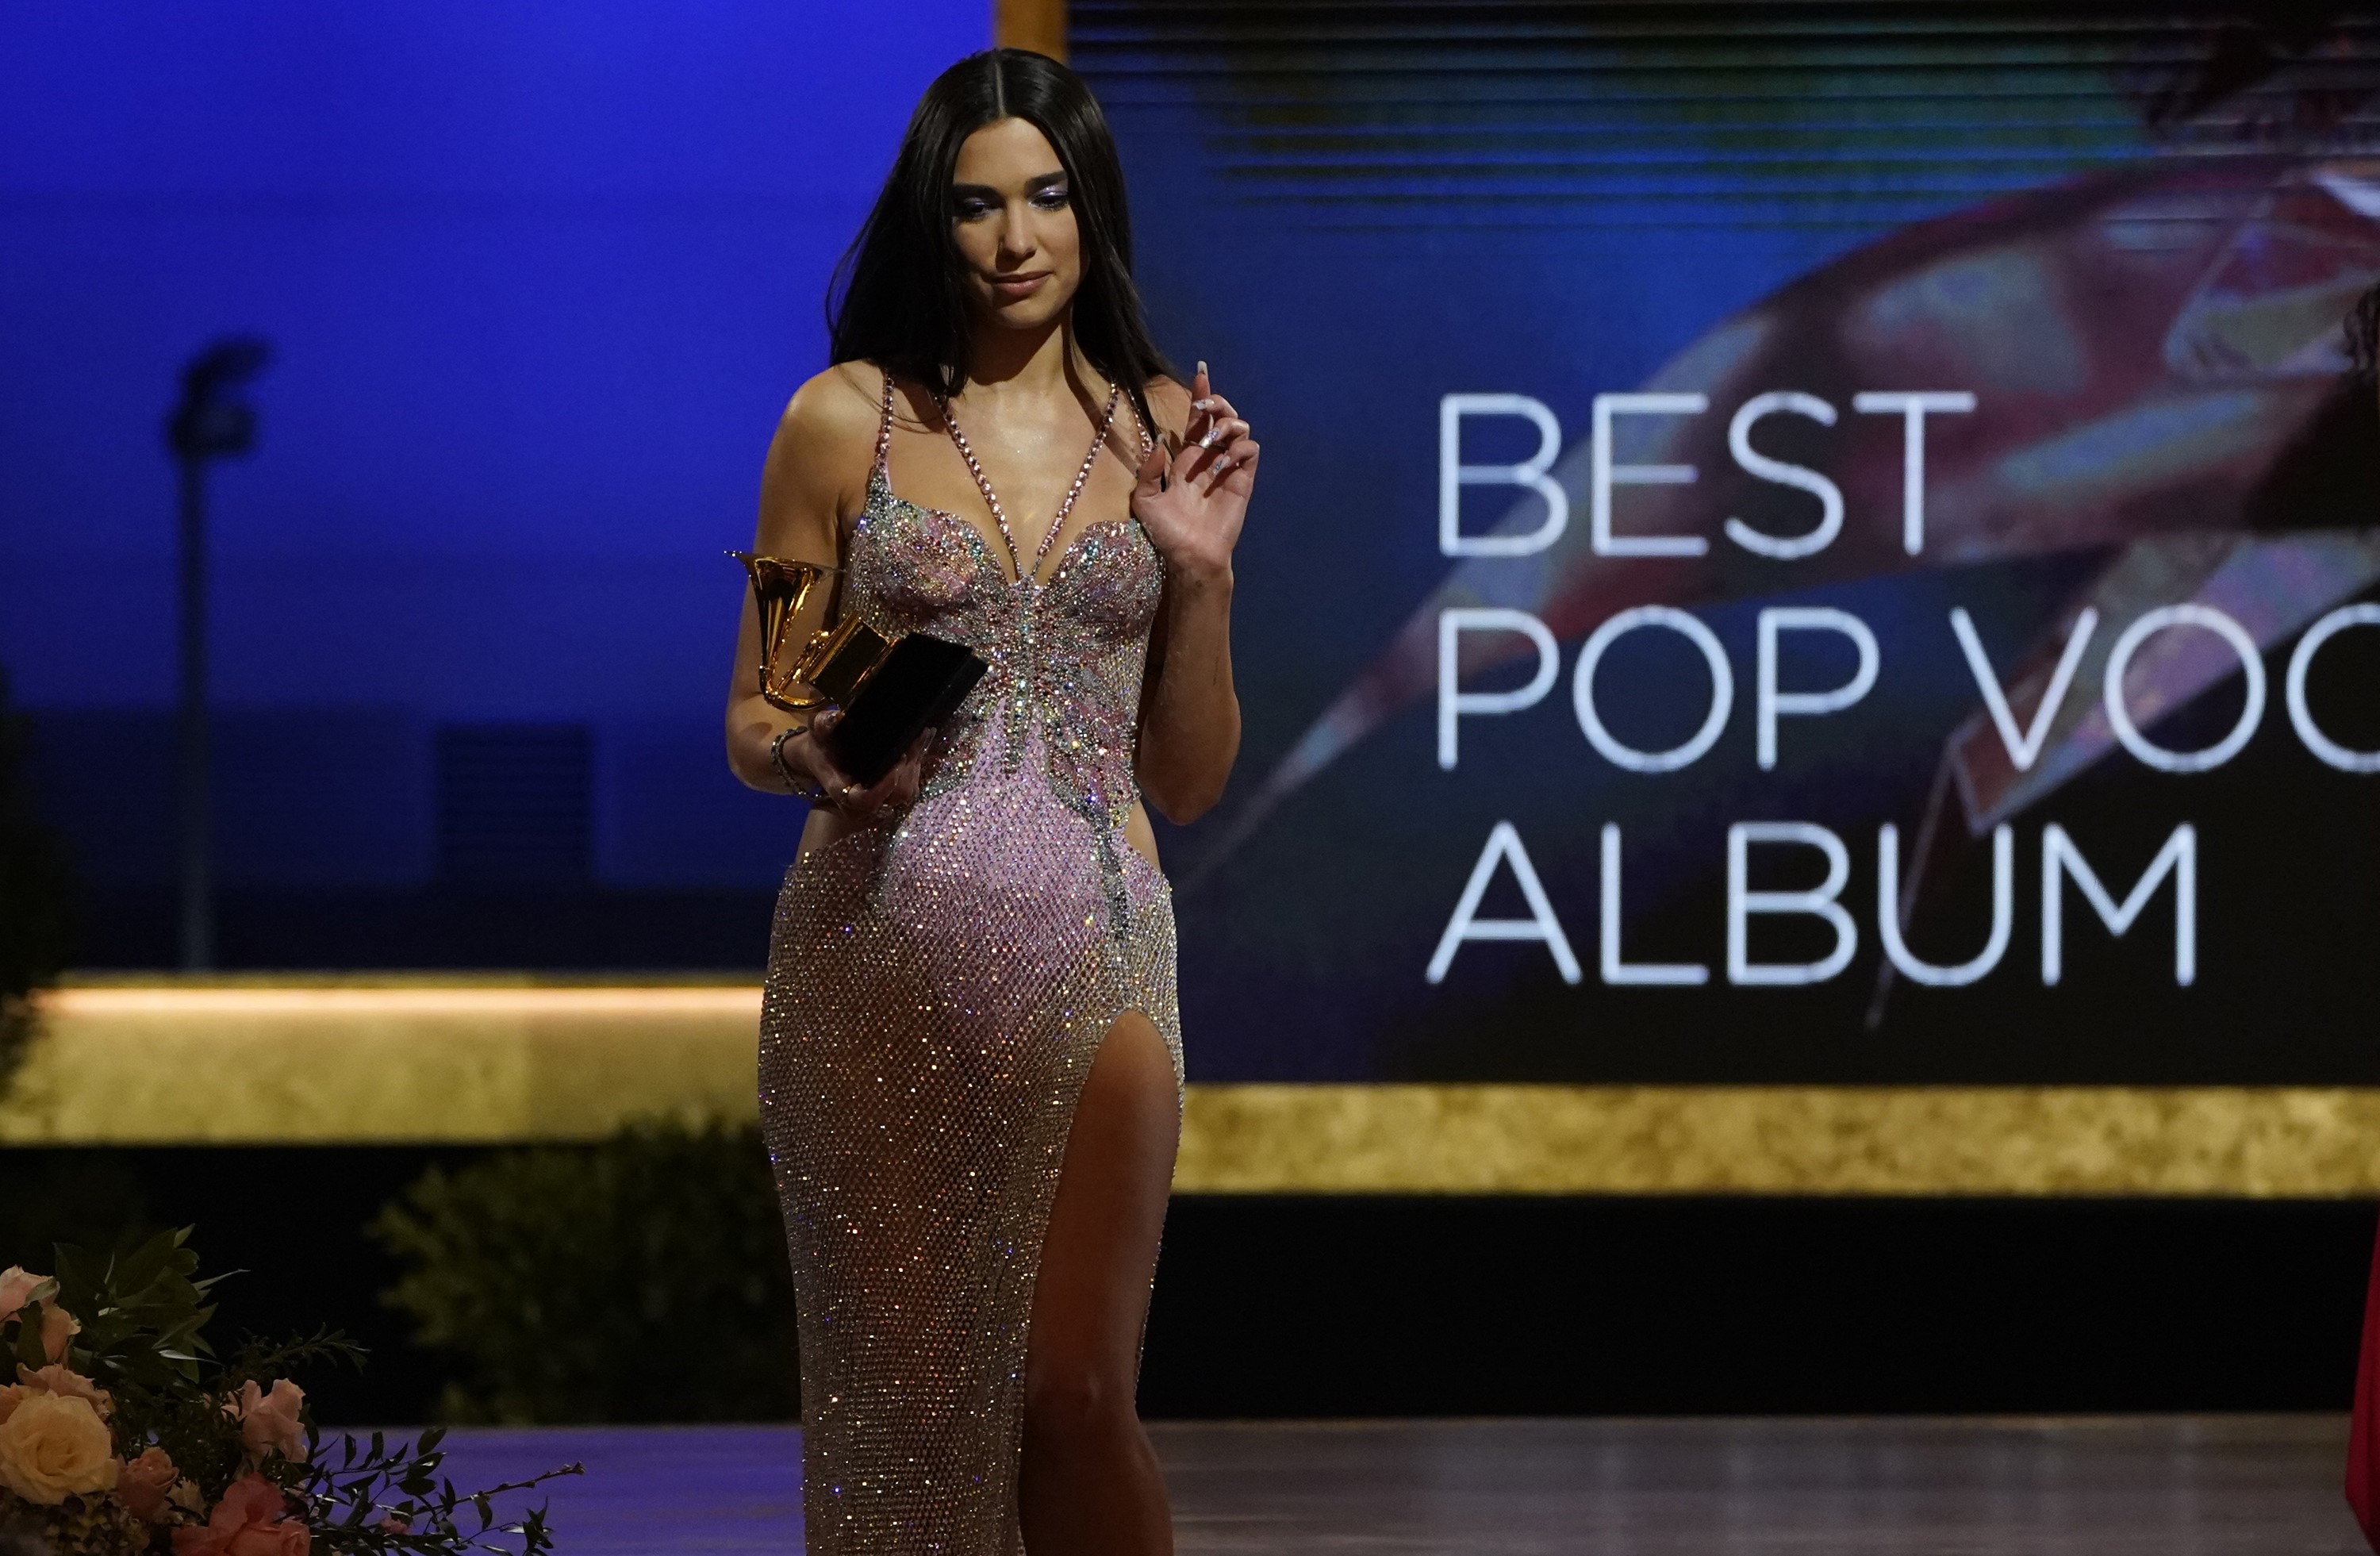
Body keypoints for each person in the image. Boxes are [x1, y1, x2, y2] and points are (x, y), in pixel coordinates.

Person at [722, 48, 1255, 1556]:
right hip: (875, 958)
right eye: (977, 204)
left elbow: (1191, 779)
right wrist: (815, 754)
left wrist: (1201, 574)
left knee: (1077, 1392)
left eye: (1047, 196)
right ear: (933, 219)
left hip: (1103, 947)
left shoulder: (1169, 432)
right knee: (908, 1425)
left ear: (1094, 209)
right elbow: (758, 714)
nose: (1016, 239)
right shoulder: (844, 421)